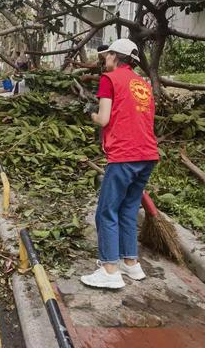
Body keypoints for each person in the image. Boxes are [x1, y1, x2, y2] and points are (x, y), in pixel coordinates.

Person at [80, 39, 159, 290]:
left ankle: (109, 269)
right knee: (128, 209)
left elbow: (103, 119)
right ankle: (131, 263)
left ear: (115, 56)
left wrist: (89, 112)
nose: (105, 59)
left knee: (106, 211)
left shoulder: (109, 79)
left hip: (124, 155)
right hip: (147, 155)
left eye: (108, 55)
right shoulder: (143, 84)